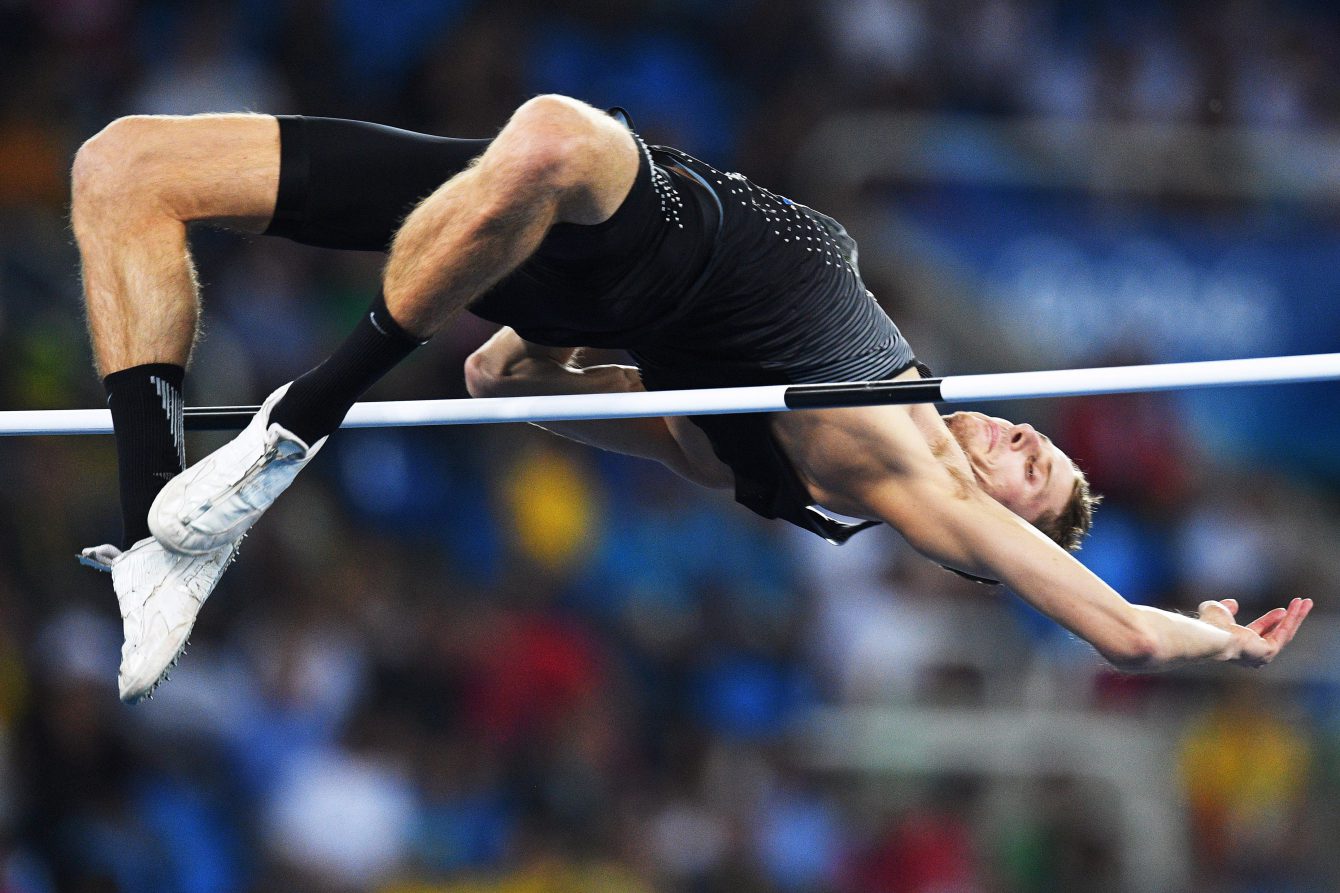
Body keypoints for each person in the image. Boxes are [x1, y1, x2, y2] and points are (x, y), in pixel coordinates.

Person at [69, 98, 1311, 703]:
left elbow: (1126, 635)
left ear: (981, 544)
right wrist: (571, 346)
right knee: (123, 167)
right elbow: (501, 380)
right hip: (531, 231)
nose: (1024, 439)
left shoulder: (902, 477)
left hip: (626, 211)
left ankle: (299, 423)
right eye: (1040, 444)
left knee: (559, 127)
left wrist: (1222, 637)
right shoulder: (754, 460)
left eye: (1032, 477)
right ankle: (154, 540)